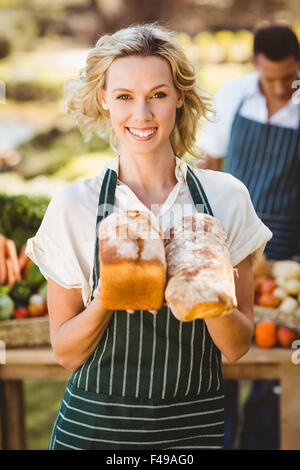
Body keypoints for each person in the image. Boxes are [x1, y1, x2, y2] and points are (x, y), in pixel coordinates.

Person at [25, 23, 272, 450]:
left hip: (192, 432)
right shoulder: (74, 206)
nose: (141, 115)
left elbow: (237, 347)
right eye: (125, 97)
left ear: (179, 96)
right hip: (94, 431)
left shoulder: (226, 198)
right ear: (104, 100)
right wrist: (110, 293)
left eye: (157, 95)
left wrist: (206, 294)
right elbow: (65, 353)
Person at [197, 24, 300, 450]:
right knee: (222, 346)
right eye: (270, 77)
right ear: (255, 64)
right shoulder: (234, 93)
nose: (279, 87)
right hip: (232, 238)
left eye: (288, 78)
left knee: (272, 351)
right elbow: (209, 162)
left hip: (287, 246)